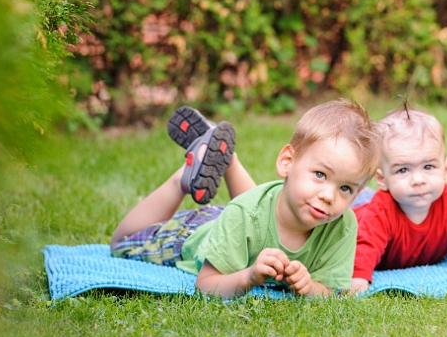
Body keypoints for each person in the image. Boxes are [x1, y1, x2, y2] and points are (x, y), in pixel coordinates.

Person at [111, 99, 382, 298]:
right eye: (320, 175)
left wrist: (309, 288)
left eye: (345, 188)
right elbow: (205, 285)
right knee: (120, 244)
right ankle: (183, 178)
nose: (328, 196)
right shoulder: (245, 212)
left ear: (359, 193)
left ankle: (227, 160)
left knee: (258, 214)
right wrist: (249, 277)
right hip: (192, 234)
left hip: (241, 222)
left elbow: (336, 292)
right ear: (287, 161)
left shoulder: (343, 225)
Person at [351, 103, 447, 293]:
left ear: (445, 170)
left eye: (428, 167)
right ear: (382, 179)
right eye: (403, 170)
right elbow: (366, 244)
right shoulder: (381, 209)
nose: (418, 180)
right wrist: (358, 280)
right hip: (358, 215)